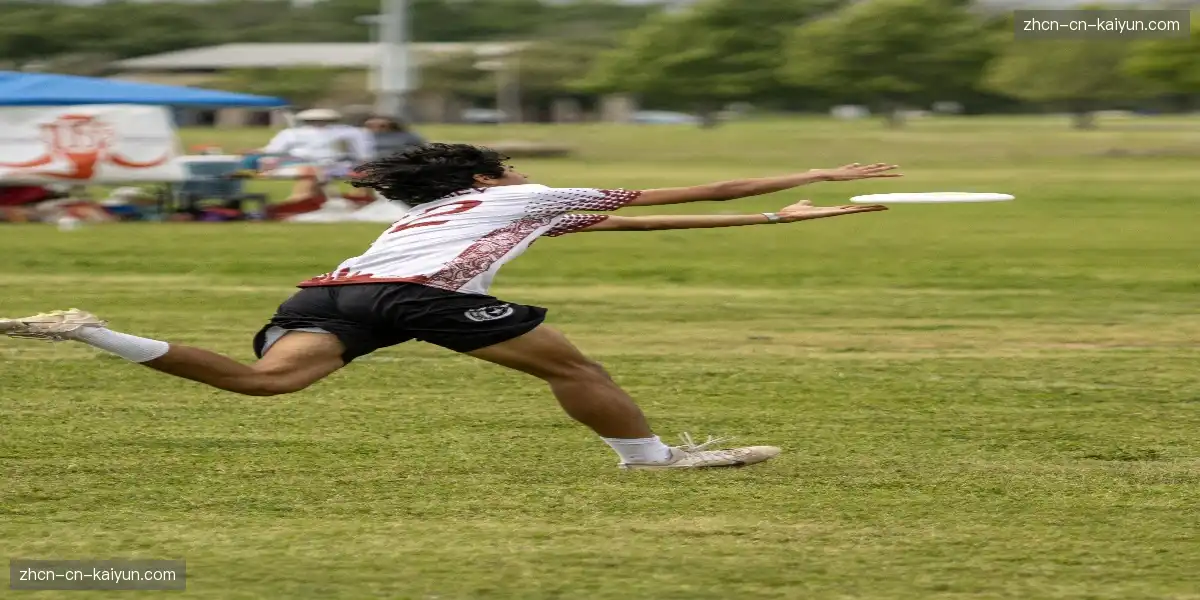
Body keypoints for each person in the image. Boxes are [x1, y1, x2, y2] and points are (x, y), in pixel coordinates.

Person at [0, 144, 900, 470]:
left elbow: (623, 226)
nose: (520, 174)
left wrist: (775, 221)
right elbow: (699, 190)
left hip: (330, 291)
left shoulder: (442, 212)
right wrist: (813, 173)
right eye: (508, 166)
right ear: (487, 176)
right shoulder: (520, 196)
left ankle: (93, 332)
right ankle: (650, 459)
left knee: (263, 383)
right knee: (576, 367)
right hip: (416, 299)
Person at [241, 109, 374, 204]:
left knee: (367, 173)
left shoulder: (349, 132)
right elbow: (273, 151)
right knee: (310, 171)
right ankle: (298, 201)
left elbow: (363, 154)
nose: (318, 123)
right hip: (299, 164)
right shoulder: (291, 133)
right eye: (314, 120)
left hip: (339, 165)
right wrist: (260, 156)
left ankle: (359, 202)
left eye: (322, 121)